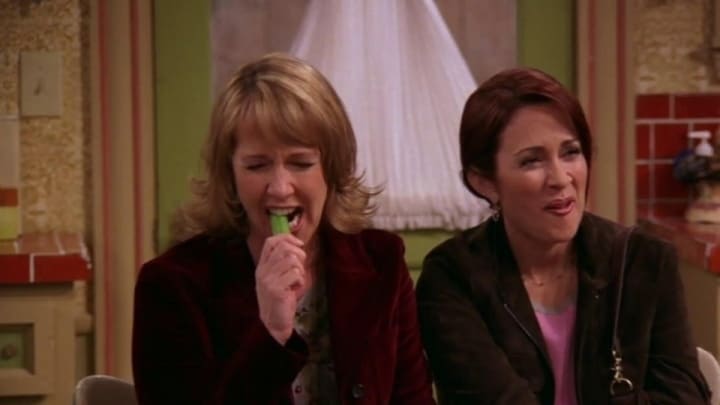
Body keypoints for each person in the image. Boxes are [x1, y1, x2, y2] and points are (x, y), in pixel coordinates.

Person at [132, 53, 435, 404]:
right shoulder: (172, 284)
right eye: (256, 165)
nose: (279, 188)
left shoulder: (382, 261)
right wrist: (271, 333)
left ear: (332, 169)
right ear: (230, 175)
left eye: (301, 163)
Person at [416, 67, 711, 404]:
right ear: (485, 182)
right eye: (531, 161)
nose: (560, 178)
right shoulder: (453, 276)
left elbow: (684, 398)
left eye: (570, 152)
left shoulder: (645, 261)